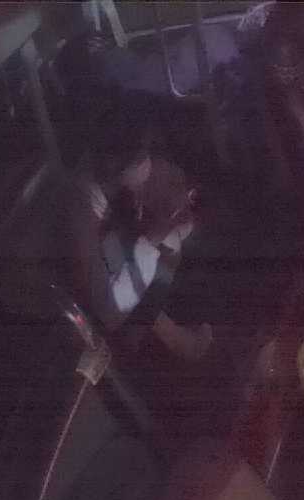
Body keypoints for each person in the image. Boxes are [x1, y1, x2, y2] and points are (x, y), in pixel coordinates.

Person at [63, 104, 212, 362]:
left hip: (121, 240)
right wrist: (152, 238)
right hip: (97, 297)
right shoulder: (83, 209)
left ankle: (156, 331)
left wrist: (178, 211)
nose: (148, 163)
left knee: (171, 243)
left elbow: (173, 195)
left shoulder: (130, 169)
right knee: (134, 255)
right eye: (140, 158)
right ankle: (161, 341)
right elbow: (109, 311)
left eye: (146, 153)